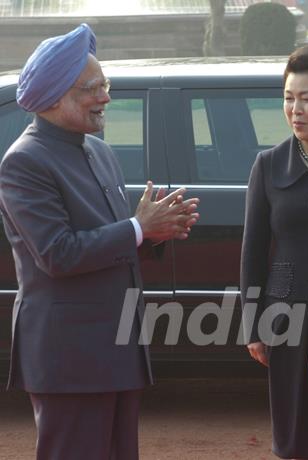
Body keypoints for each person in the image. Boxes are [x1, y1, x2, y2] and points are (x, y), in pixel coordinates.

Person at [0, 24, 200, 460]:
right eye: (92, 88)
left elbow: (111, 241)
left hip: (115, 349)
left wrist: (155, 233)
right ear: (53, 97)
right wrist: (138, 228)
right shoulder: (24, 161)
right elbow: (59, 254)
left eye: (105, 84)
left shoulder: (98, 151)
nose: (106, 97)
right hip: (69, 360)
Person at [240, 45, 308, 460]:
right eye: (288, 98)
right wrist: (253, 325)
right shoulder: (268, 166)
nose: (295, 109)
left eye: (307, 98)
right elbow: (253, 252)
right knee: (295, 433)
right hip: (285, 319)